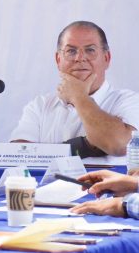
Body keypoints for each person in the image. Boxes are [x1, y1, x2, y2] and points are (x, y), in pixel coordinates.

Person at [10, 21, 139, 164]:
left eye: (90, 50)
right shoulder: (39, 106)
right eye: (71, 51)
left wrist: (79, 97)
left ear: (106, 58)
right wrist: (85, 146)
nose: (79, 58)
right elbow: (18, 158)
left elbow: (120, 145)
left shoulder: (129, 102)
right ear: (58, 59)